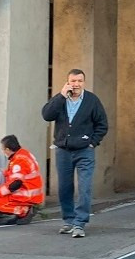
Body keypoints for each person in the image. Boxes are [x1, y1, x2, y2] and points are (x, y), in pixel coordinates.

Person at [42, 69, 108, 239]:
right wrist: (60, 96)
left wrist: (93, 142)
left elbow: (102, 124)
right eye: (73, 81)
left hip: (85, 150)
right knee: (64, 187)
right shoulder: (61, 99)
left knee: (84, 187)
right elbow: (46, 115)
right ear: (67, 82)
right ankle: (69, 220)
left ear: (84, 82)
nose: (76, 84)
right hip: (63, 150)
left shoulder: (92, 101)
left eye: (79, 81)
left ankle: (80, 223)